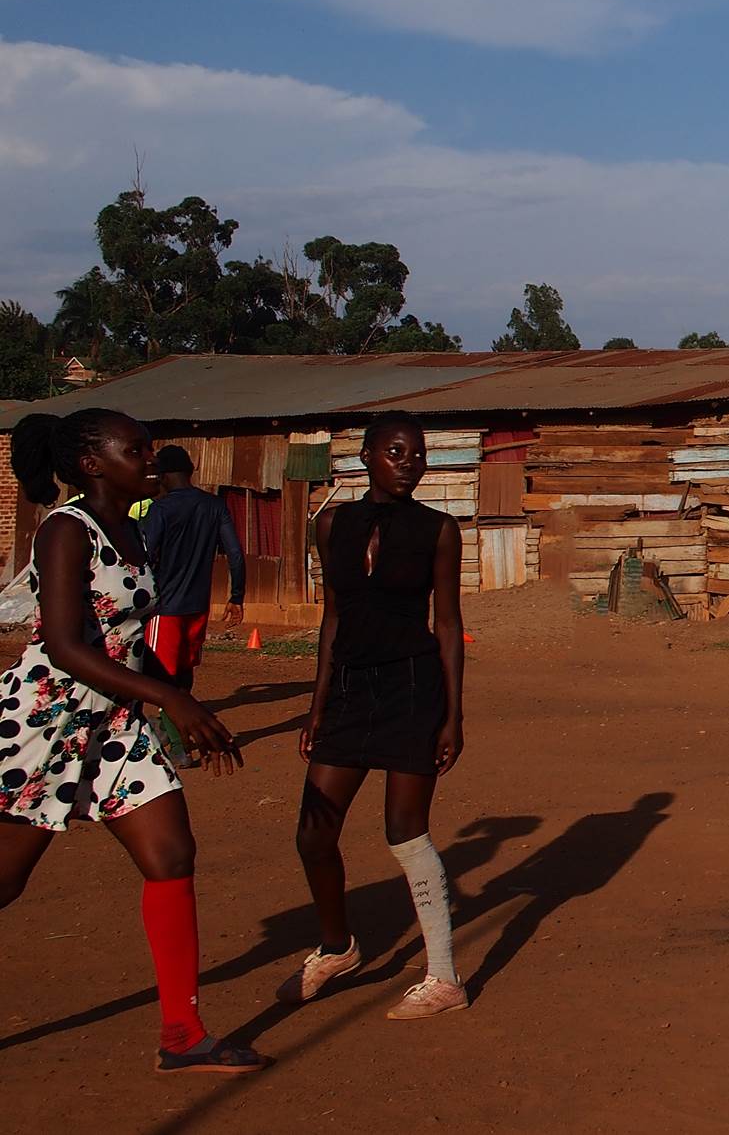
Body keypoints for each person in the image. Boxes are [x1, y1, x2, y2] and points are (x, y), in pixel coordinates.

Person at [0, 408, 265, 1075]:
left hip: (117, 725)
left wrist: (183, 705)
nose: (149, 455)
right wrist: (170, 697)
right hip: (49, 722)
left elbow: (132, 642)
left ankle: (183, 1034)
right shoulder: (66, 530)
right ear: (91, 462)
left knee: (173, 854)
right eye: (135, 446)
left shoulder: (137, 529)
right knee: (5, 880)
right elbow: (62, 644)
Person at [278, 412, 469, 1020]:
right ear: (365, 457)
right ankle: (338, 947)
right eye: (395, 451)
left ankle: (444, 978)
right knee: (313, 831)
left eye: (417, 453)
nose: (409, 461)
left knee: (405, 831)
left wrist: (453, 717)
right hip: (349, 692)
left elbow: (447, 623)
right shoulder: (332, 524)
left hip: (414, 690)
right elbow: (333, 616)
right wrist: (315, 708)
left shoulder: (439, 530)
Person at [139, 445, 245, 763]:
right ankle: (172, 732)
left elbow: (143, 555)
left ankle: (179, 745)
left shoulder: (160, 509)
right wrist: (236, 597)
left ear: (163, 474)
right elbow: (235, 554)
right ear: (192, 469)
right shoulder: (214, 505)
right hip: (198, 607)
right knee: (183, 676)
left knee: (161, 681)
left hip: (165, 608)